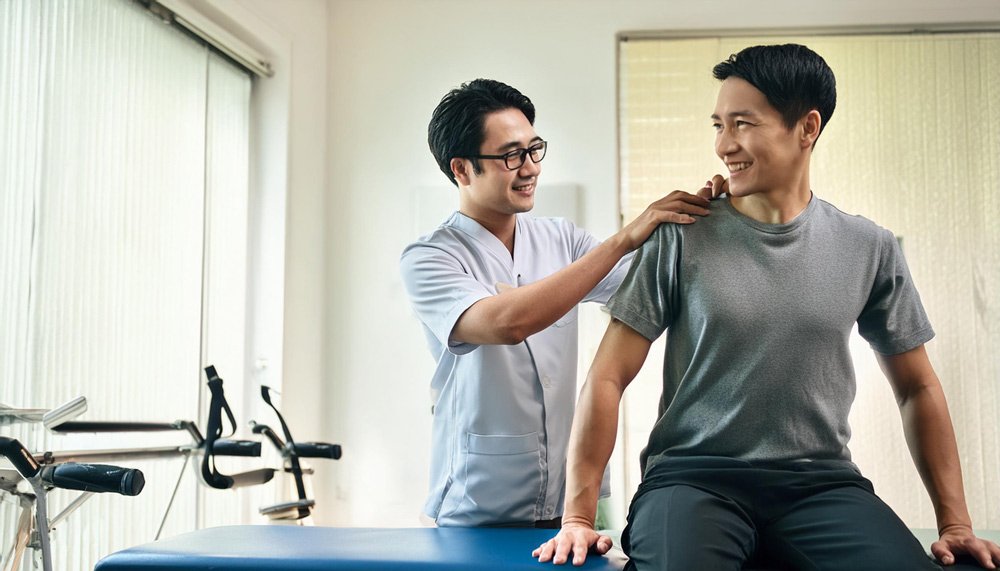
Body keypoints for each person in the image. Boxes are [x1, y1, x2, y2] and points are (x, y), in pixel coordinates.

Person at [534, 44, 1000, 569]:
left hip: (820, 484)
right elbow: (607, 378)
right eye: (718, 125)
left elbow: (918, 386)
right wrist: (577, 516)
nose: (723, 145)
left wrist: (955, 524)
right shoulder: (681, 234)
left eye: (742, 124)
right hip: (691, 480)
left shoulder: (869, 247)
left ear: (807, 128)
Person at [399, 79, 725, 527]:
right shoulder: (431, 256)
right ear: (461, 168)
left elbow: (657, 292)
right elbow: (507, 323)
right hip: (479, 500)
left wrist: (720, 224)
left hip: (567, 497)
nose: (530, 167)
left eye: (534, 150)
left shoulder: (562, 239)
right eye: (511, 155)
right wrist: (626, 236)